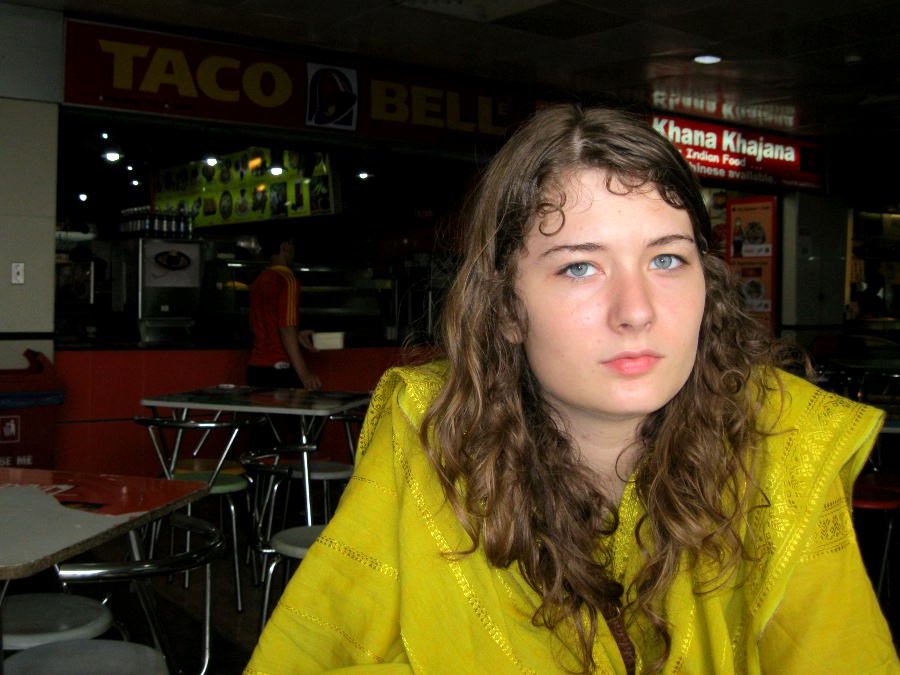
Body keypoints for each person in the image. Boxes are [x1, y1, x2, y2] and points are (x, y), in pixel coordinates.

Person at [244, 104, 898, 673]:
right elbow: (320, 647)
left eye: (667, 258)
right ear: (505, 307)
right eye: (581, 266)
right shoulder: (432, 432)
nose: (636, 310)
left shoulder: (783, 446)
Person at [246, 231, 321, 390]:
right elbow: (286, 329)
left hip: (256, 369)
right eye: (292, 244)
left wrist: (297, 335)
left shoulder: (258, 281)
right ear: (285, 246)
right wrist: (304, 374)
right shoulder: (288, 281)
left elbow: (261, 325)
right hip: (280, 369)